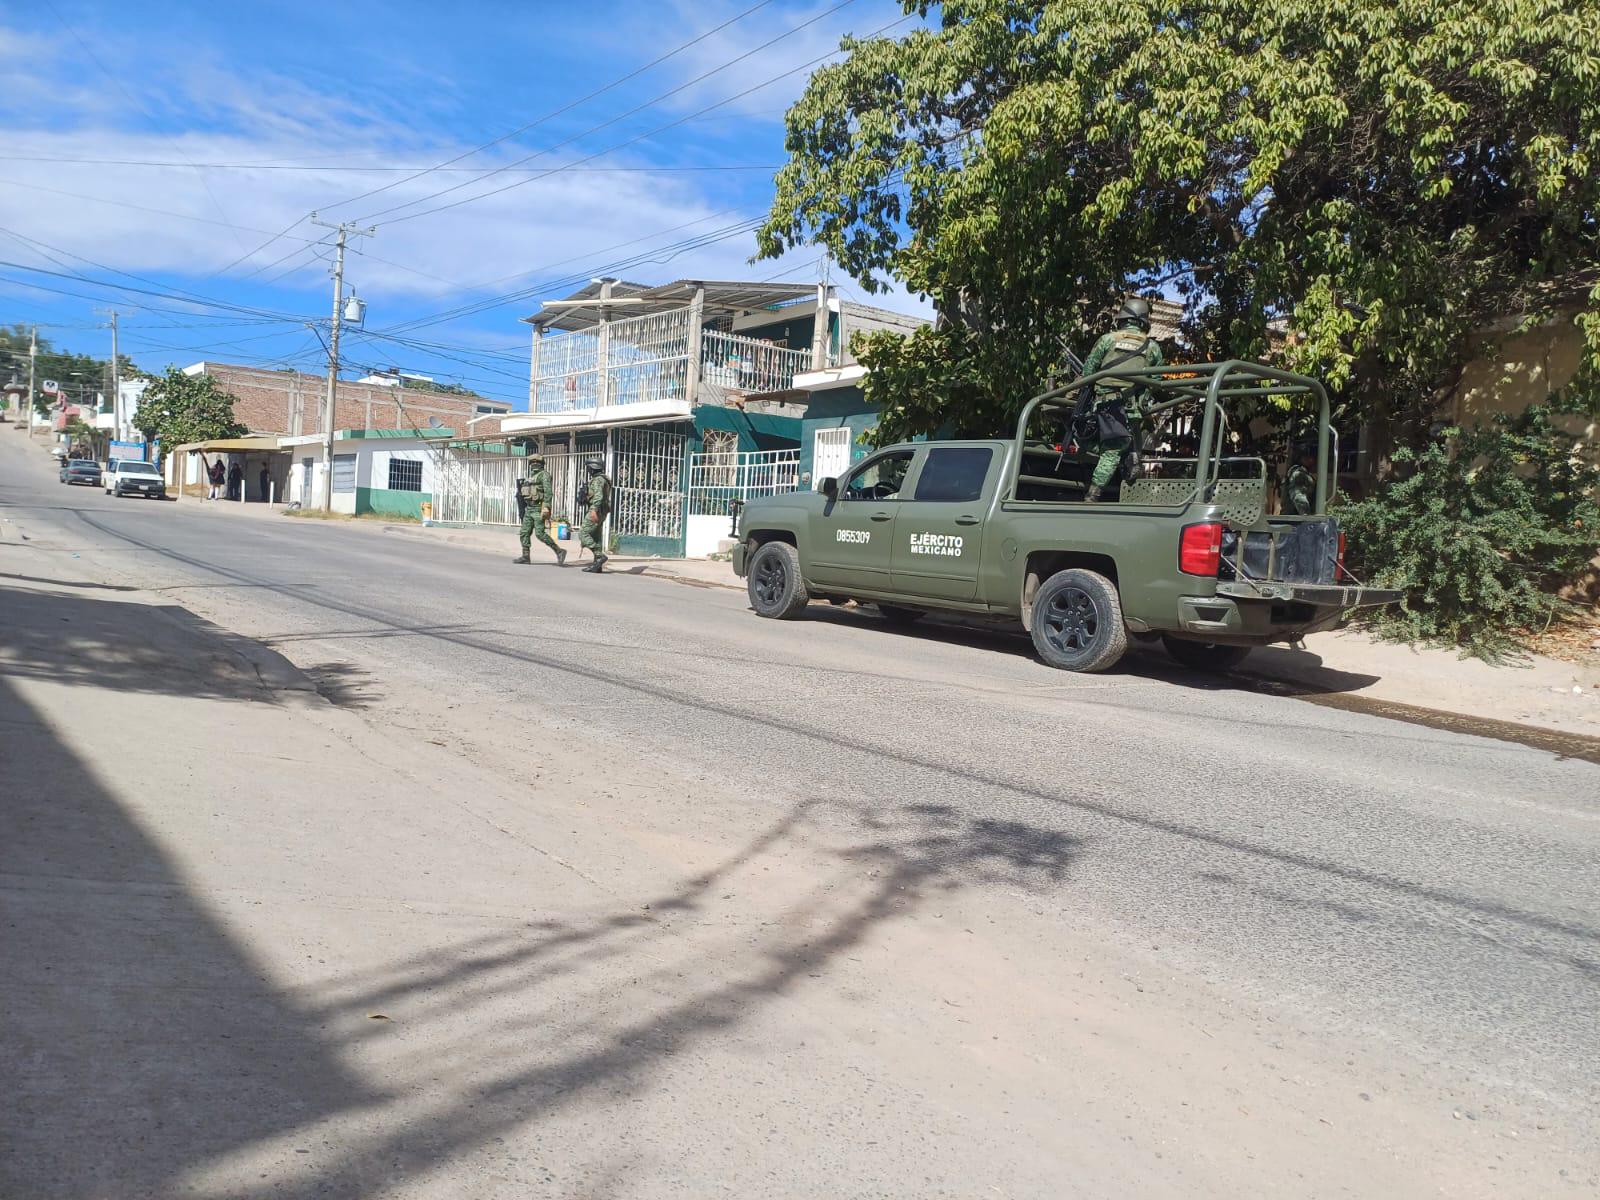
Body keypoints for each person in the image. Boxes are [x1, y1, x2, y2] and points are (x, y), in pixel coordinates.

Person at [1076, 297, 1165, 502]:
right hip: (1133, 409)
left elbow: (1089, 371)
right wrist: (1142, 399)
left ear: (1123, 318)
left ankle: (1092, 495)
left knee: (1110, 450)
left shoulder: (1107, 340)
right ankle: (1133, 457)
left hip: (1108, 407)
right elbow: (1156, 379)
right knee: (1128, 438)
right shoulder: (1152, 347)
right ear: (1144, 321)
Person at [512, 451, 566, 566]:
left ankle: (559, 551)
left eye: (536, 462)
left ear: (541, 463)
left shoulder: (544, 475)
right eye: (532, 462)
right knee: (524, 532)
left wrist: (546, 507)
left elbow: (548, 492)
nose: (534, 464)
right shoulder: (530, 477)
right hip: (529, 509)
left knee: (540, 534)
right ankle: (525, 556)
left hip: (538, 508)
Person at [578, 456, 611, 573]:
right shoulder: (603, 479)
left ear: (592, 468)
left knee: (583, 533)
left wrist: (593, 510)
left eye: (588, 468)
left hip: (596, 510)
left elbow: (598, 496)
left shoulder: (597, 480)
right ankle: (598, 565)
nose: (588, 470)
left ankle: (599, 555)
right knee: (596, 537)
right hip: (602, 510)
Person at [1284, 444, 1318, 515]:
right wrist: (1306, 516)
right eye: (1309, 457)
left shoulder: (1304, 474)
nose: (1312, 460)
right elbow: (1299, 497)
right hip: (1295, 521)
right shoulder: (1299, 474)